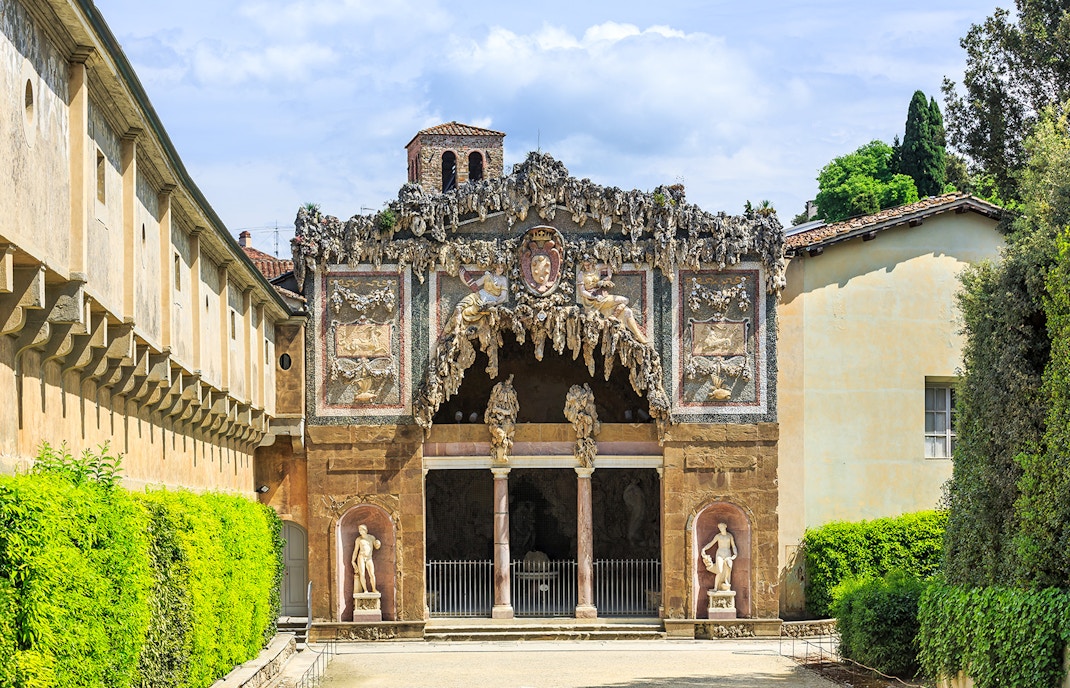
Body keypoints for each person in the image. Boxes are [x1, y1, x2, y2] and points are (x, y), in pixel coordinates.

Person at [577, 260, 649, 344]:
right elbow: (582, 292)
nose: (587, 267)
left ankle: (616, 319)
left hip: (601, 296)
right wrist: (595, 297)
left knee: (627, 308)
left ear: (592, 263)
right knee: (624, 302)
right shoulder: (581, 274)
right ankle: (614, 318)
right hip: (591, 300)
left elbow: (608, 265)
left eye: (588, 264)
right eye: (585, 265)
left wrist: (608, 277)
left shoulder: (597, 268)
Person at [700, 522, 737, 591]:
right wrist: (704, 549)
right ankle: (716, 587)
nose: (721, 529)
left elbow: (733, 546)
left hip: (727, 554)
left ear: (725, 527)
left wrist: (735, 554)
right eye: (719, 528)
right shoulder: (718, 536)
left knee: (729, 567)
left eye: (722, 527)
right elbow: (711, 543)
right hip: (720, 554)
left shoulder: (729, 536)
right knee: (719, 571)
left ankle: (726, 581)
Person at [352, 524, 381, 594]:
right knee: (362, 574)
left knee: (372, 574)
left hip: (369, 558)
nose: (360, 532)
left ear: (365, 530)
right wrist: (353, 561)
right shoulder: (358, 539)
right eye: (359, 530)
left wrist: (378, 543)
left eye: (361, 530)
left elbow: (376, 547)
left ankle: (374, 589)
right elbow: (355, 551)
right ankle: (365, 590)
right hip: (361, 557)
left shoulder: (371, 538)